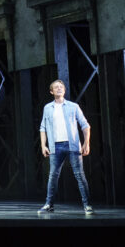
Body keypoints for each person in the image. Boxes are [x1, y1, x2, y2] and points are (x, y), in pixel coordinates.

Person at [38, 79, 92, 214]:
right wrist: (43, 145)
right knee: (53, 176)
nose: (59, 88)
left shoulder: (74, 106)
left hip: (73, 145)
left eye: (61, 86)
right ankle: (49, 204)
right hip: (55, 147)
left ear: (64, 90)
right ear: (51, 91)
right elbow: (43, 127)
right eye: (56, 87)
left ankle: (87, 205)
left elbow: (85, 125)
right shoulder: (47, 108)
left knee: (80, 175)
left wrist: (86, 143)